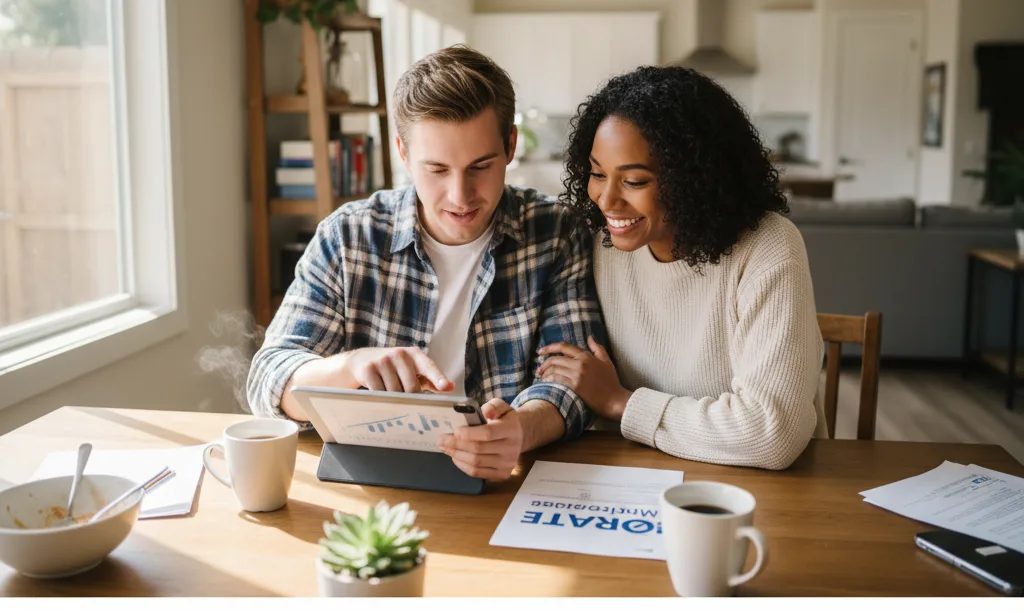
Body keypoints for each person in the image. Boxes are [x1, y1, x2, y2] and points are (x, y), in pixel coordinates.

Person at [246, 46, 605, 481]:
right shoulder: (348, 236)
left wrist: (521, 431)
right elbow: (268, 377)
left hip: (500, 484)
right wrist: (349, 367)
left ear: (510, 145)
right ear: (403, 152)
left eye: (480, 166)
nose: (460, 195)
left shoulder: (555, 231)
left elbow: (573, 383)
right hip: (366, 479)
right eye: (436, 169)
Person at [537, 66, 825, 470]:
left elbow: (771, 434)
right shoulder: (597, 239)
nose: (607, 200)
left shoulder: (767, 246)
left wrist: (620, 402)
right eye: (598, 174)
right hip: (628, 476)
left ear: (696, 180)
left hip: (757, 490)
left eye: (635, 181)